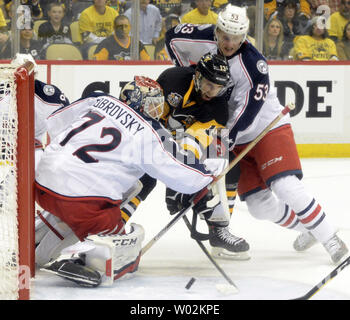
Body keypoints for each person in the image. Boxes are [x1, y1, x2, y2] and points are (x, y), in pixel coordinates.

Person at [164, 4, 349, 264]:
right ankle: (311, 228)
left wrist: (221, 138)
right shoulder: (202, 35)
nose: (229, 43)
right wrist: (189, 74)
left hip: (265, 127)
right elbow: (171, 37)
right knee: (259, 206)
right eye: (224, 36)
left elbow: (247, 114)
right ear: (217, 30)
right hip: (230, 131)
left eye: (236, 38)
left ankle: (332, 239)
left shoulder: (255, 65)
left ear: (245, 36)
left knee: (284, 186)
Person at [34, 76, 227, 287]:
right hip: (82, 202)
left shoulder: (99, 99)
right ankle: (89, 258)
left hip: (42, 183)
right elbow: (184, 177)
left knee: (111, 190)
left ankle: (35, 239)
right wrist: (209, 173)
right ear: (136, 101)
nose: (156, 111)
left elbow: (54, 123)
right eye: (152, 104)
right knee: (126, 254)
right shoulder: (148, 132)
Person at [118, 52, 250, 260]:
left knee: (221, 167)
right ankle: (114, 223)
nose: (211, 91)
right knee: (145, 179)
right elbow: (150, 114)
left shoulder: (218, 109)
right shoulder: (173, 79)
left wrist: (178, 181)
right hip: (151, 135)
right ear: (197, 75)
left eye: (217, 87)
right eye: (208, 83)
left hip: (178, 145)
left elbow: (193, 143)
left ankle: (218, 229)